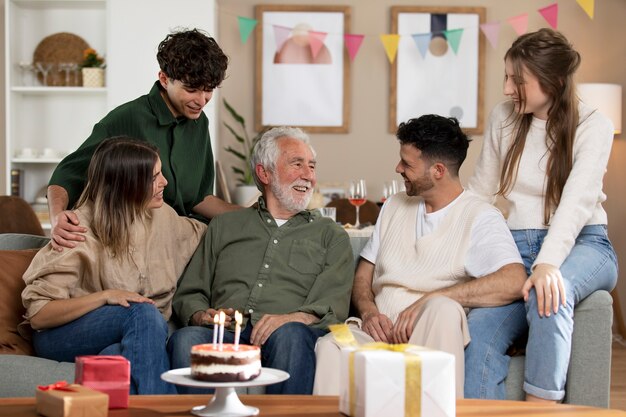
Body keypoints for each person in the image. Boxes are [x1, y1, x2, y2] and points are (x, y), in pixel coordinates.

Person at [313, 115, 526, 398]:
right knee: (331, 345)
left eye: (407, 164)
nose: (398, 168)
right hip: (377, 333)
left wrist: (430, 300)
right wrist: (368, 311)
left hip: (430, 334)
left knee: (444, 309)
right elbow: (364, 273)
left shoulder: (480, 216)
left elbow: (513, 280)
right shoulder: (393, 206)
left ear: (438, 170)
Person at [464, 28, 618, 403]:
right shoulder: (504, 117)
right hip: (515, 248)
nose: (506, 89)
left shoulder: (594, 125)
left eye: (518, 81)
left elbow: (576, 203)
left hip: (583, 242)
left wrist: (547, 264)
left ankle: (541, 410)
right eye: (506, 77)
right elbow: (480, 193)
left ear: (555, 81)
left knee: (551, 295)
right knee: (480, 330)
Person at [167, 126, 354, 395]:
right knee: (186, 339)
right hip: (226, 334)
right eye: (297, 164)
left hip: (289, 335)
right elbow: (191, 291)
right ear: (264, 173)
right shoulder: (224, 226)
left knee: (291, 336)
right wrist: (200, 314)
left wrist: (293, 319)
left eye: (311, 166)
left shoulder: (330, 234)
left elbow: (333, 302)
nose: (308, 176)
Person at [20, 137, 207, 395]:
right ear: (127, 184)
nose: (164, 182)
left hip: (133, 333)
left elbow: (207, 236)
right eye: (154, 177)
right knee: (140, 311)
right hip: (60, 335)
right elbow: (40, 315)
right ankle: (160, 408)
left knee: (116, 355)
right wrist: (106, 297)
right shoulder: (77, 230)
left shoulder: (161, 216)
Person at [47, 28, 236, 251]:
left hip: (181, 240)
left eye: (208, 90)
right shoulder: (126, 118)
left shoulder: (199, 122)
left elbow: (199, 199)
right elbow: (66, 175)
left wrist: (253, 217)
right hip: (134, 245)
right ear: (164, 79)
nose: (201, 100)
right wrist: (57, 216)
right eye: (192, 89)